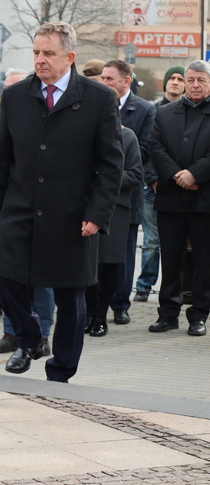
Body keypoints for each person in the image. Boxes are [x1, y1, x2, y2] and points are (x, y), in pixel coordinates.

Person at [0, 21, 123, 382]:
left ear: (70, 57)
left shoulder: (98, 98)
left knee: (71, 299)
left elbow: (111, 165)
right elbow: (1, 160)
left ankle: (60, 371)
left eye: (48, 53)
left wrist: (98, 213)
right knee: (3, 278)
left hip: (72, 214)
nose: (40, 60)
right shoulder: (15, 96)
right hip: (19, 210)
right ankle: (31, 337)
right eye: (35, 53)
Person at [0, 68, 56, 349]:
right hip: (9, 205)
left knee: (43, 276)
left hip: (42, 205)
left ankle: (42, 333)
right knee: (9, 274)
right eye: (7, 88)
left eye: (17, 86)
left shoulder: (44, 114)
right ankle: (13, 332)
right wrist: (1, 169)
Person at [148, 60, 210, 337]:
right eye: (191, 79)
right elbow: (155, 147)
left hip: (204, 199)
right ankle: (168, 314)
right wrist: (176, 175)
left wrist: (195, 174)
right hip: (171, 199)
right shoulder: (165, 112)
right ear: (184, 81)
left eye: (202, 80)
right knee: (170, 259)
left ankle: (199, 315)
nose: (195, 85)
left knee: (204, 260)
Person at [100, 60, 156, 325]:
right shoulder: (97, 104)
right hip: (96, 196)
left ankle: (120, 304)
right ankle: (94, 304)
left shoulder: (144, 110)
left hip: (127, 195)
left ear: (127, 81)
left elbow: (145, 151)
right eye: (103, 78)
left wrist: (108, 173)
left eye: (110, 78)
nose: (105, 83)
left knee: (123, 253)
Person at [86, 124, 143, 336]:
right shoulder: (84, 132)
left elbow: (135, 174)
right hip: (85, 205)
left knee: (109, 264)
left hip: (116, 208)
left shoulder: (128, 136)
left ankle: (101, 317)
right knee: (87, 264)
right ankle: (89, 314)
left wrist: (105, 177)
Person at [135, 66, 186, 302]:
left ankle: (180, 288)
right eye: (171, 78)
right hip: (153, 188)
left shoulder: (190, 112)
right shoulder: (153, 111)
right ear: (164, 83)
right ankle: (144, 286)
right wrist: (154, 179)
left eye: (180, 78)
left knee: (178, 244)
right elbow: (149, 150)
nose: (175, 82)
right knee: (152, 241)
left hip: (181, 187)